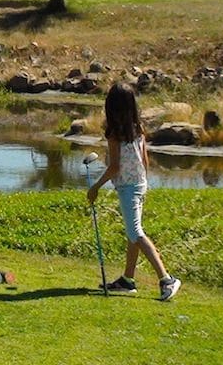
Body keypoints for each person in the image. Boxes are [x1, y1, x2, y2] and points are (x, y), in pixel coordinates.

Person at [87, 82, 182, 301]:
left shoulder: (113, 133)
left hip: (130, 189)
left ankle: (166, 279)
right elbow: (145, 159)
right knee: (132, 235)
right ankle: (128, 280)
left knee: (136, 233)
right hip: (140, 185)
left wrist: (95, 188)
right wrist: (142, 182)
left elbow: (114, 166)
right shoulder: (137, 128)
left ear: (112, 107)